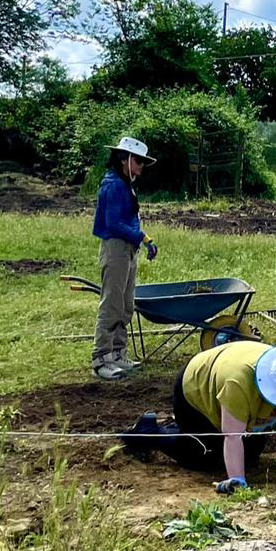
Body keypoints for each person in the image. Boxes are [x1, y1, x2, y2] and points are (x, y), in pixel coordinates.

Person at [120, 341, 276, 494]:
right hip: (196, 390)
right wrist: (237, 479)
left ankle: (175, 429)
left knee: (251, 455)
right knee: (204, 457)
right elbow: (232, 436)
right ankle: (148, 432)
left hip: (229, 376)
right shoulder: (237, 383)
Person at [91, 135, 159, 382]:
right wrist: (142, 236)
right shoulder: (112, 185)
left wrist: (142, 239)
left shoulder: (125, 183)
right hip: (116, 248)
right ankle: (101, 359)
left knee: (126, 304)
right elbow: (113, 223)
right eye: (139, 161)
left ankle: (118, 353)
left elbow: (129, 218)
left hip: (128, 249)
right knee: (111, 305)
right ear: (125, 158)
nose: (141, 167)